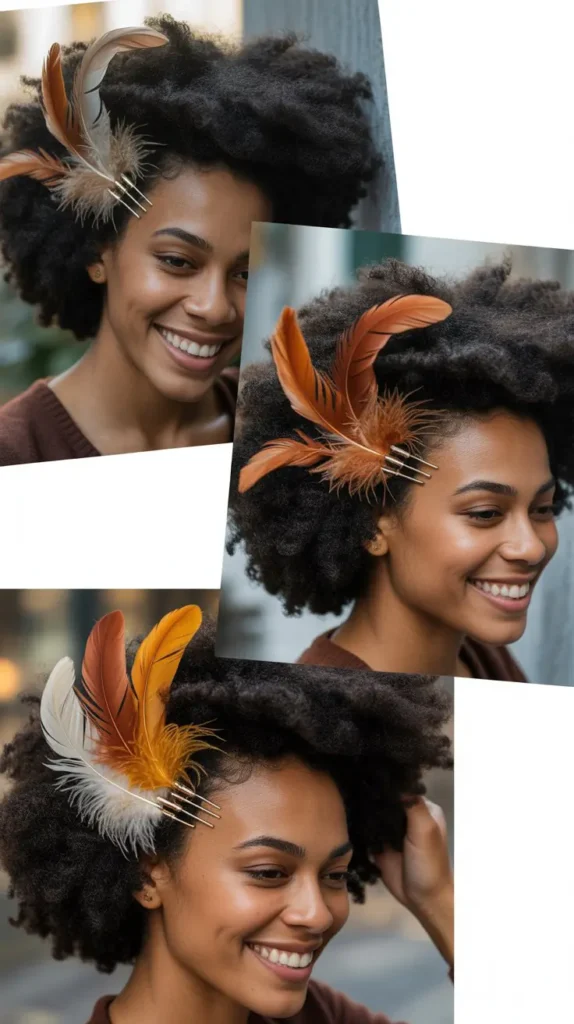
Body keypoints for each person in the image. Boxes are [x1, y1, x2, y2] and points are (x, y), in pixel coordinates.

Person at [0, 606, 453, 1024]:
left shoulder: (321, 1016)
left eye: (335, 875)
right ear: (147, 875)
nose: (316, 914)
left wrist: (437, 899)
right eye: (269, 873)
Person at [0, 16, 381, 466]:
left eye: (245, 273)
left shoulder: (291, 435)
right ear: (96, 250)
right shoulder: (17, 453)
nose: (215, 307)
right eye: (177, 261)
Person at [229, 258, 574, 681]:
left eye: (542, 509)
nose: (531, 547)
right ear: (374, 525)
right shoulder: (324, 716)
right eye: (485, 513)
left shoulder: (483, 660)